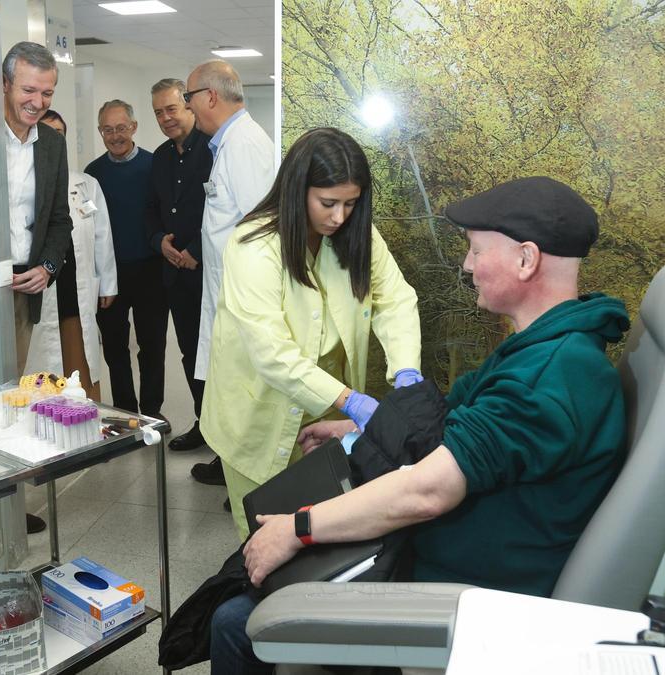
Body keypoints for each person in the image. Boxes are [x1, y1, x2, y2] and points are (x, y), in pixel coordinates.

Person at [209, 176, 632, 675]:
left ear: (526, 259)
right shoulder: (548, 348)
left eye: (476, 250)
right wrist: (358, 431)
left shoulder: (548, 377)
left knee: (236, 621)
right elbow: (455, 424)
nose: (467, 265)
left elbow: (427, 493)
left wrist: (297, 530)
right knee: (248, 585)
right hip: (447, 554)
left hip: (466, 595)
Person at [199, 128, 422, 542]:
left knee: (323, 531)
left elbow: (396, 300)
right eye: (328, 203)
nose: (340, 217)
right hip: (257, 413)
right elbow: (273, 353)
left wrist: (406, 370)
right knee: (262, 539)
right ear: (298, 190)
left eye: (351, 204)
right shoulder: (253, 246)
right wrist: (352, 401)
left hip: (330, 414)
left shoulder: (357, 236)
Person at [185, 59, 278, 486]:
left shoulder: (244, 145)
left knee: (244, 392)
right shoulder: (228, 144)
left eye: (188, 98)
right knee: (231, 389)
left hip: (242, 298)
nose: (188, 109)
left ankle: (244, 477)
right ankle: (233, 470)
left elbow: (263, 228)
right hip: (227, 292)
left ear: (209, 96)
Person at [2, 41, 74, 535]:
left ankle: (5, 502)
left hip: (25, 287)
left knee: (8, 393)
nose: (38, 101)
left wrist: (48, 265)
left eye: (46, 92)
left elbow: (59, 220)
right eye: (29, 89)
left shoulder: (51, 144)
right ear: (5, 84)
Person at [22, 110, 118, 401]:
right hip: (45, 289)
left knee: (82, 360)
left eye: (60, 134)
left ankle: (88, 417)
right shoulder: (27, 185)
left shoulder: (86, 184)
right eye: (48, 133)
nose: (55, 140)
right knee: (45, 364)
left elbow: (102, 236)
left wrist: (108, 284)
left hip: (79, 288)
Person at [144, 78, 215, 452]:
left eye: (171, 108)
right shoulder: (160, 157)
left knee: (216, 355)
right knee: (191, 352)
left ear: (189, 105)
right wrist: (161, 243)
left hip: (210, 273)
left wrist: (195, 249)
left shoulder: (215, 150)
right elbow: (152, 209)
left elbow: (230, 212)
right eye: (158, 112)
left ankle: (225, 435)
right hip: (176, 275)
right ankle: (204, 424)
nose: (165, 117)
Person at [85, 100, 167, 417]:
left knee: (152, 345)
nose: (115, 135)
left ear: (133, 127)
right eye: (108, 129)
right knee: (115, 348)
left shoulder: (153, 165)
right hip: (109, 275)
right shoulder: (92, 174)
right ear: (100, 132)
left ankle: (151, 410)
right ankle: (124, 411)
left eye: (121, 127)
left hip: (150, 271)